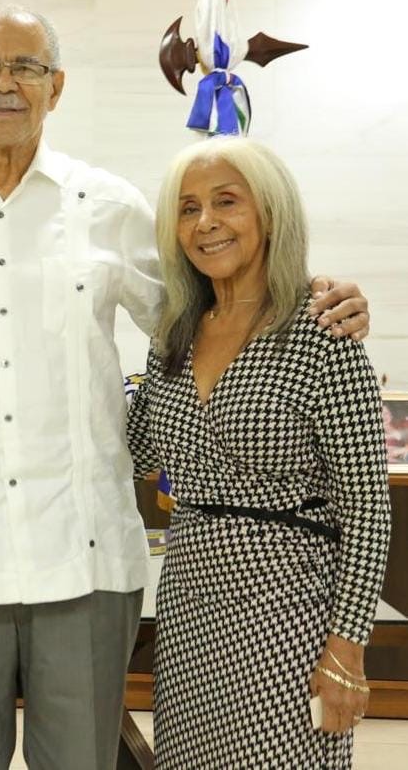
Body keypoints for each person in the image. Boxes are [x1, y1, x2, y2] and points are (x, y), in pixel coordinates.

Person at [0, 5, 373, 770]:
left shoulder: (112, 208)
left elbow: (216, 308)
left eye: (27, 67)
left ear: (56, 87)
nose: (6, 84)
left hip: (87, 559)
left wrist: (321, 295)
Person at [126, 136, 391, 767]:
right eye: (188, 209)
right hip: (190, 604)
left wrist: (347, 647)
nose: (206, 223)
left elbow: (367, 509)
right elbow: (133, 448)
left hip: (290, 610)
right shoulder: (174, 334)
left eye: (226, 202)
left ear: (270, 212)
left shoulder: (324, 331)